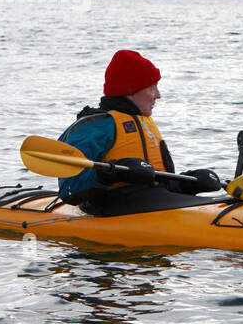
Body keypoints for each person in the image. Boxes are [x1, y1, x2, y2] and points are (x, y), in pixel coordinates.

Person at [57, 49, 221, 215]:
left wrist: (189, 183)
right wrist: (113, 173)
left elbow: (158, 182)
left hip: (154, 201)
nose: (158, 95)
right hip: (111, 207)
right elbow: (69, 189)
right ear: (130, 91)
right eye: (152, 88)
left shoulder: (145, 124)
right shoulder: (95, 127)